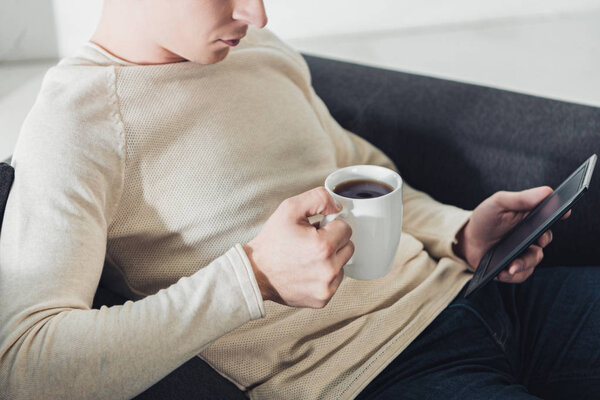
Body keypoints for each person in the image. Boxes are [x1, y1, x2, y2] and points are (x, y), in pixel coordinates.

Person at [0, 0, 597, 399]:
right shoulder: (76, 124)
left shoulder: (259, 46)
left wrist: (462, 232)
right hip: (372, 375)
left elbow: (365, 175)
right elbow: (25, 363)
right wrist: (252, 277)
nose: (255, 12)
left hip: (474, 295)